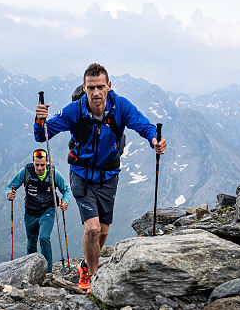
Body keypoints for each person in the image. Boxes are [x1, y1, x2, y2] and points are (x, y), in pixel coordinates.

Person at [34, 63, 167, 292]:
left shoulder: (121, 107)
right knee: (93, 229)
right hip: (81, 175)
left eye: (100, 87)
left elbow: (144, 126)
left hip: (108, 175)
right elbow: (42, 135)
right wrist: (39, 120)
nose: (96, 93)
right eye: (91, 87)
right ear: (84, 88)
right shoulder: (73, 111)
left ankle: (85, 264)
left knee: (103, 232)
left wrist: (155, 139)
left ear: (109, 86)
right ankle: (94, 279)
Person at [6, 148, 71, 269]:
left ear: (47, 162)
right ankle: (30, 270)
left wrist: (65, 202)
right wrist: (9, 194)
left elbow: (66, 190)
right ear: (33, 162)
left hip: (48, 210)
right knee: (31, 242)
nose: (40, 168)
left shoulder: (53, 173)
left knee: (44, 237)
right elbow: (11, 187)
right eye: (37, 165)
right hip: (30, 212)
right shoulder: (26, 172)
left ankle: (48, 271)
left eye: (42, 165)